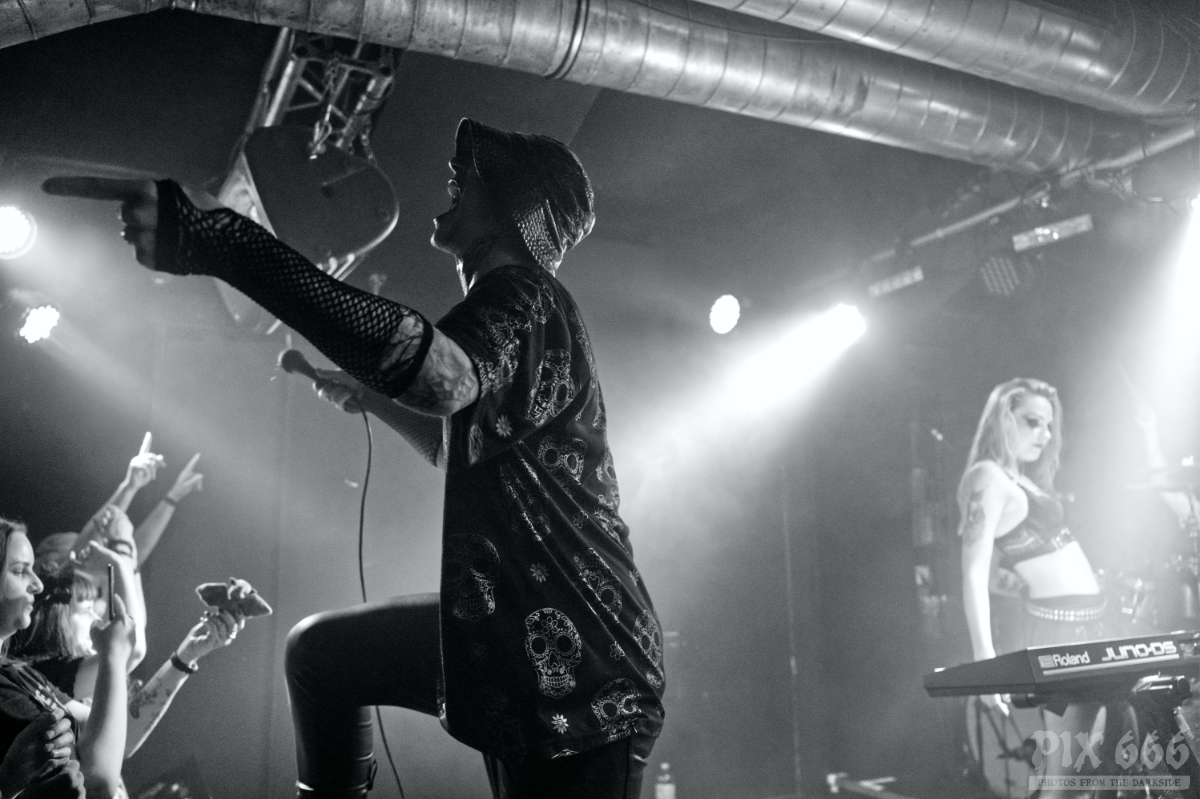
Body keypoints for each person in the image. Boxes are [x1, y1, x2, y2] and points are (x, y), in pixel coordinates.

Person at [46, 117, 665, 798]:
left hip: (584, 665)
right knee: (323, 657)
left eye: (474, 174)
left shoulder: (525, 295)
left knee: (325, 658)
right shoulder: (523, 315)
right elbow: (452, 436)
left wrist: (222, 240)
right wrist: (373, 397)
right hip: (504, 637)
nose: (455, 175)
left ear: (514, 210)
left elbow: (444, 381)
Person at [958, 378, 1111, 797]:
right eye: (1032, 421)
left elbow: (995, 578)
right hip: (1060, 636)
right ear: (1003, 418)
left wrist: (1034, 586)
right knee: (1067, 780)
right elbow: (974, 574)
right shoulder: (987, 477)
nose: (1044, 435)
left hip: (1088, 626)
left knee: (1101, 774)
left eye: (1048, 425)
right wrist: (984, 659)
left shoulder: (1017, 480)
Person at [9, 559, 243, 758]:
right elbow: (133, 650)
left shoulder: (60, 684)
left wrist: (186, 656)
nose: (95, 617)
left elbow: (124, 737)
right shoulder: (44, 673)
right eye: (84, 610)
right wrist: (121, 561)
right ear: (55, 619)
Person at [0, 517, 132, 799]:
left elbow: (113, 734)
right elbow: (97, 783)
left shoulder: (21, 673)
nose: (37, 584)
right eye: (20, 571)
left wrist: (184, 659)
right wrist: (114, 654)